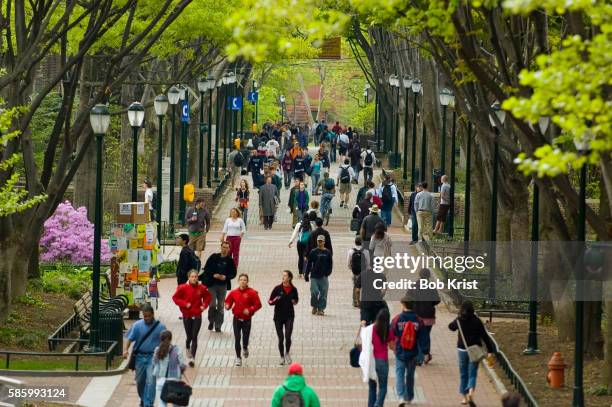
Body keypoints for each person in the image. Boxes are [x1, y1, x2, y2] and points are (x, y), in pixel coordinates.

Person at [448, 300, 495, 406]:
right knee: (472, 373)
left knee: (463, 373)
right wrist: (490, 350)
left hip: (462, 350)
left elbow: (451, 327)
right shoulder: (477, 321)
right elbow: (485, 336)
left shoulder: (459, 320)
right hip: (474, 351)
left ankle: (464, 398)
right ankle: (471, 393)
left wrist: (457, 318)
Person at [123, 304, 166, 407]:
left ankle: (148, 403)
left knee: (151, 381)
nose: (146, 318)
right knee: (140, 381)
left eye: (148, 316)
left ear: (153, 315)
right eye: (144, 316)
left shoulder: (160, 327)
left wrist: (163, 353)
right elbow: (129, 338)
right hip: (139, 357)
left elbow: (165, 342)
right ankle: (143, 399)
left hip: (153, 357)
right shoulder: (137, 325)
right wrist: (125, 350)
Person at [172, 270, 212, 366]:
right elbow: (175, 298)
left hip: (197, 315)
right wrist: (185, 304)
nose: (194, 278)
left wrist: (204, 306)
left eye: (196, 277)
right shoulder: (182, 287)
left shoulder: (202, 288)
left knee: (194, 336)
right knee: (189, 336)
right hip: (187, 315)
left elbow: (208, 297)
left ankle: (192, 358)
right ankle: (187, 346)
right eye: (192, 277)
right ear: (188, 278)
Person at [225, 273, 262, 366]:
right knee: (237, 338)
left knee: (245, 338)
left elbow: (258, 304)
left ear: (247, 281)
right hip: (237, 319)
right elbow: (228, 301)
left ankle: (245, 347)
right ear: (238, 281)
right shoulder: (234, 292)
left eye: (245, 280)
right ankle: (238, 357)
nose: (243, 281)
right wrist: (227, 306)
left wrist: (250, 310)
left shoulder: (252, 292)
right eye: (241, 280)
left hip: (247, 320)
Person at [199, 241, 237, 332]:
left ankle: (218, 325)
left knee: (220, 306)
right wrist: (213, 275)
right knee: (212, 305)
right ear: (221, 247)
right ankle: (211, 321)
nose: (225, 249)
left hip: (223, 286)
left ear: (229, 249)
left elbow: (233, 273)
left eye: (227, 247)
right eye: (223, 247)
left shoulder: (230, 260)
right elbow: (206, 269)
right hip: (212, 284)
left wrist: (226, 277)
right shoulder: (213, 257)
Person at [391, 296, 422, 406]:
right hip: (413, 352)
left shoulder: (397, 319)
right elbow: (421, 337)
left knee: (399, 373)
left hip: (400, 350)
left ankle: (400, 397)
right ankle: (409, 396)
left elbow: (391, 333)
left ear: (403, 305)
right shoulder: (418, 320)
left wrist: (392, 345)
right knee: (410, 375)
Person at [363, 309, 395, 407]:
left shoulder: (370, 329)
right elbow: (392, 346)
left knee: (372, 387)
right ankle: (378, 404)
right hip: (382, 361)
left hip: (371, 360)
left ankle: (371, 405)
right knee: (383, 387)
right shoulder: (388, 331)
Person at [268, 270, 299, 365]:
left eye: (285, 275)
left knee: (288, 336)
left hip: (289, 316)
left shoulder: (293, 289)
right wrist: (277, 298)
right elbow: (270, 302)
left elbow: (297, 300)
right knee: (281, 338)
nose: (283, 277)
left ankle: (287, 353)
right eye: (283, 275)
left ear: (289, 278)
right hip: (278, 317)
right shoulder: (277, 288)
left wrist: (294, 301)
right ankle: (281, 356)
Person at [151, 330, 187, 407]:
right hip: (174, 381)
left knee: (161, 404)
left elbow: (154, 363)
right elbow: (182, 365)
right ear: (171, 339)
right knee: (176, 404)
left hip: (161, 380)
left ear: (160, 339)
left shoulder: (157, 350)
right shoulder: (177, 350)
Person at [412, 268, 440, 365]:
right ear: (428, 276)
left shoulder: (414, 286)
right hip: (429, 316)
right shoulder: (431, 286)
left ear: (420, 275)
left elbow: (408, 298)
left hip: (416, 316)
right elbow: (437, 300)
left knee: (417, 336)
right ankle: (426, 354)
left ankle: (419, 358)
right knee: (426, 335)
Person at [305, 235, 333, 316]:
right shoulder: (313, 251)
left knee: (324, 293)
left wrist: (328, 272)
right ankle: (314, 305)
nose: (320, 242)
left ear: (324, 242)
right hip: (314, 276)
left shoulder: (327, 252)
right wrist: (306, 274)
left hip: (324, 276)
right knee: (315, 292)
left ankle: (321, 309)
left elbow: (330, 264)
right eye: (318, 241)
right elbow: (309, 264)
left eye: (321, 241)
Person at [289, 211, 316, 277]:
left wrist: (291, 241)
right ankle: (306, 271)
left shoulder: (298, 224)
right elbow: (314, 234)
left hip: (300, 243)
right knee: (307, 257)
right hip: (308, 244)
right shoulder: (311, 225)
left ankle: (300, 272)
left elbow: (294, 233)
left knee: (300, 257)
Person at [347, 236, 370, 308]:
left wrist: (352, 269)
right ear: (362, 242)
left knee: (355, 286)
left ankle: (355, 302)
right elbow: (368, 263)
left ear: (355, 242)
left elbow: (348, 263)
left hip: (355, 272)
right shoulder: (365, 251)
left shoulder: (351, 251)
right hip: (363, 272)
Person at [185, 197, 211, 262]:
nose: (203, 204)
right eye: (202, 203)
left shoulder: (205, 211)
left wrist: (206, 230)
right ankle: (191, 262)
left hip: (201, 233)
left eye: (204, 203)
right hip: (192, 233)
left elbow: (208, 221)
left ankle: (197, 263)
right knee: (191, 249)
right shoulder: (190, 209)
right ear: (198, 203)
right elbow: (186, 220)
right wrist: (191, 219)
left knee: (199, 250)